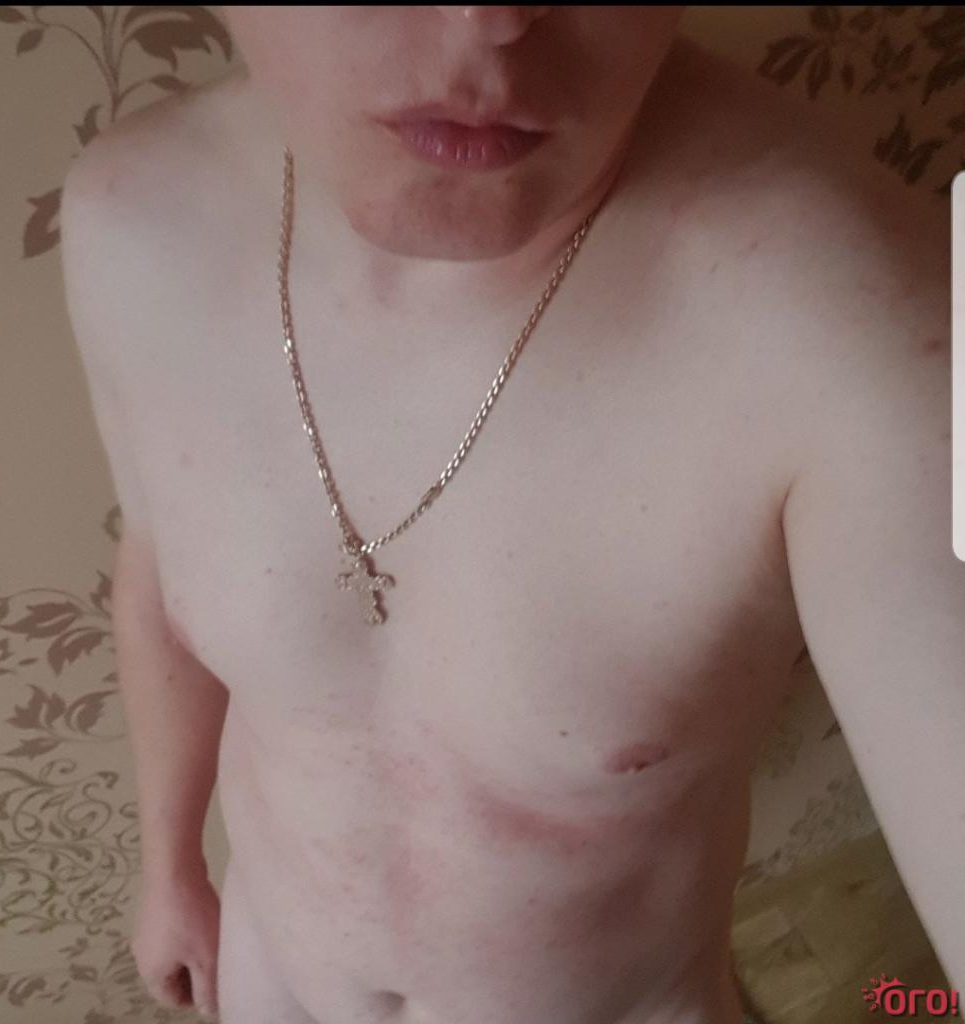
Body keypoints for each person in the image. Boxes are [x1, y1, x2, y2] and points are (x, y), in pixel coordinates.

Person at [58, 7, 962, 1024]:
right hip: (272, 982)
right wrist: (170, 865)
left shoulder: (873, 333)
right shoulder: (133, 225)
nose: (490, 22)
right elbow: (156, 570)